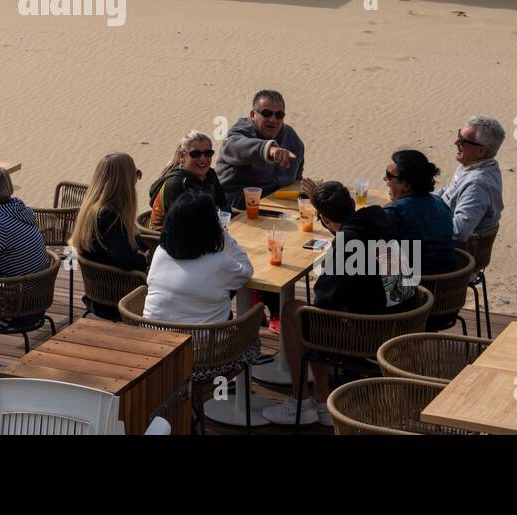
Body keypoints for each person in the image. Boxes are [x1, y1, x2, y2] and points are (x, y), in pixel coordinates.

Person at [263, 181, 419, 427]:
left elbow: (325, 300)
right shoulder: (378, 222)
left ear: (324, 219)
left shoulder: (347, 243)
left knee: (296, 312)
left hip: (369, 337)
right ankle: (321, 401)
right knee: (313, 315)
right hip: (404, 323)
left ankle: (303, 402)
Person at [144, 189, 253, 325]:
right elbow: (247, 270)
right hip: (203, 344)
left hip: (153, 337)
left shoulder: (160, 252)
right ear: (211, 226)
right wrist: (222, 234)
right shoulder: (218, 263)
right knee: (252, 339)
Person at [69, 153, 149, 319]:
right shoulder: (108, 216)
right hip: (118, 299)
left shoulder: (93, 208)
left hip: (99, 292)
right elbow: (126, 261)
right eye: (135, 175)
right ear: (123, 181)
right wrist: (143, 258)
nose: (135, 181)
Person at [213, 89, 304, 209]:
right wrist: (267, 150)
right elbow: (233, 146)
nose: (273, 119)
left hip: (277, 205)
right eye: (266, 113)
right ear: (252, 115)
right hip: (235, 208)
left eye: (279, 115)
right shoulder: (241, 131)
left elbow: (296, 179)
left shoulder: (291, 139)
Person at [382, 149, 457, 276]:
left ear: (406, 185)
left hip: (419, 290)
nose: (385, 180)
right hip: (451, 288)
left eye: (389, 176)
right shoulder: (440, 203)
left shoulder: (395, 213)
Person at [437, 115, 506, 245]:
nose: (456, 142)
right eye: (459, 135)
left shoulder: (477, 185)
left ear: (480, 151)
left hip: (455, 251)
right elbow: (449, 192)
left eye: (462, 141)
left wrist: (424, 226)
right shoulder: (472, 164)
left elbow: (458, 232)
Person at [147, 130, 225, 230]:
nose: (203, 158)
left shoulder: (210, 174)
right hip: (168, 239)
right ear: (183, 156)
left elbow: (223, 204)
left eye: (208, 153)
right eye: (195, 154)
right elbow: (182, 225)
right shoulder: (176, 184)